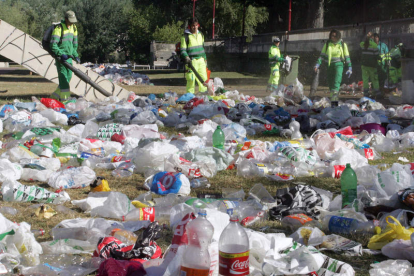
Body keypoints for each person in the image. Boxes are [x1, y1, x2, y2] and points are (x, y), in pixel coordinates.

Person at [314, 29, 352, 106]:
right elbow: (322, 56)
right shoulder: (327, 44)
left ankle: (334, 101)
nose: (333, 37)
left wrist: (349, 67)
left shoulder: (342, 45)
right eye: (332, 35)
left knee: (336, 83)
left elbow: (347, 56)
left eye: (335, 36)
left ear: (338, 36)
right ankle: (333, 100)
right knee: (331, 83)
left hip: (339, 65)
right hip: (329, 66)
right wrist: (317, 64)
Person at [50, 10, 80, 101]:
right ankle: (65, 100)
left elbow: (74, 44)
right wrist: (61, 54)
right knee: (64, 79)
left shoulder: (74, 28)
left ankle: (55, 97)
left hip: (69, 58)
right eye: (70, 20)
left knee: (68, 78)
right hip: (61, 59)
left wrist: (76, 55)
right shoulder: (59, 28)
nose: (72, 22)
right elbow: (53, 45)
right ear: (66, 19)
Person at [180, 17, 207, 94]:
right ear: (189, 26)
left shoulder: (201, 35)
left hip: (201, 61)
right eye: (193, 26)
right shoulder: (185, 37)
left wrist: (205, 58)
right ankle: (190, 96)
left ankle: (203, 95)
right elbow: (183, 50)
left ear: (198, 25)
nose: (194, 27)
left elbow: (203, 48)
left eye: (196, 25)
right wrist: (186, 57)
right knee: (191, 79)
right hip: (191, 61)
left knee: (203, 78)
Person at [360, 32, 381, 99]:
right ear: (372, 37)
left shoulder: (363, 44)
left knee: (365, 79)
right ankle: (377, 93)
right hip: (372, 66)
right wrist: (380, 58)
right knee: (374, 79)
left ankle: (366, 93)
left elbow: (361, 44)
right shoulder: (374, 45)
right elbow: (377, 56)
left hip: (364, 65)